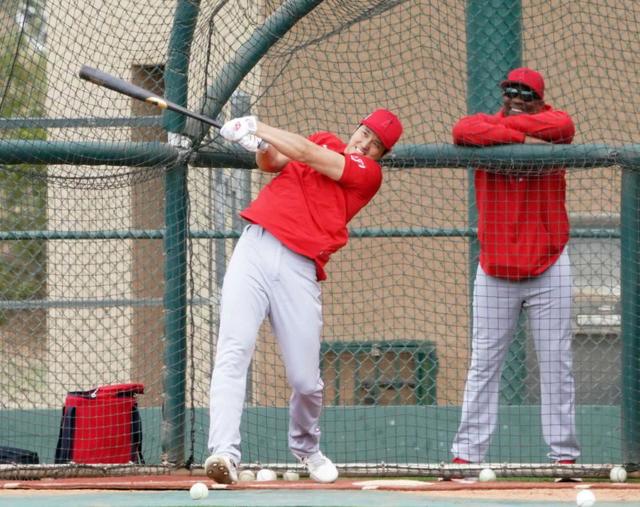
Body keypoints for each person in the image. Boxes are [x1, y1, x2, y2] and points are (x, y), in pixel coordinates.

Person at [205, 109, 403, 484]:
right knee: (233, 350)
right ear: (356, 128)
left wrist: (257, 126)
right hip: (255, 247)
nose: (364, 143)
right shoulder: (326, 138)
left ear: (380, 155)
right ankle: (224, 454)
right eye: (364, 133)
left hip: (299, 267)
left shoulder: (366, 174)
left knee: (305, 381)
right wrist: (261, 145)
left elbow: (308, 156)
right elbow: (273, 162)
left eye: (375, 144)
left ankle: (307, 448)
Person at [450, 67, 581, 465]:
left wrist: (518, 131)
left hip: (549, 265)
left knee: (556, 364)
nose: (518, 98)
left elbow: (565, 126)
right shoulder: (485, 125)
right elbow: (462, 130)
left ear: (540, 97)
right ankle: (466, 458)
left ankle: (564, 456)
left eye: (527, 93)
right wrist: (519, 135)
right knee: (484, 365)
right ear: (503, 93)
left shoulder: (553, 123)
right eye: (511, 91)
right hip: (495, 269)